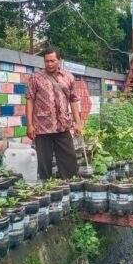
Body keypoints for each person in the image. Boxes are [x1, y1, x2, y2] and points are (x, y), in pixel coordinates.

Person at [26, 47, 82, 180]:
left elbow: (74, 100)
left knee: (69, 163)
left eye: (52, 61)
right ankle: (47, 191)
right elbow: (30, 101)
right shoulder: (35, 78)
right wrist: (29, 125)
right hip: (42, 128)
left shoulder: (68, 77)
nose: (49, 64)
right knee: (44, 166)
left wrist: (78, 122)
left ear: (60, 60)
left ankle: (69, 189)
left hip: (63, 126)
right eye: (46, 61)